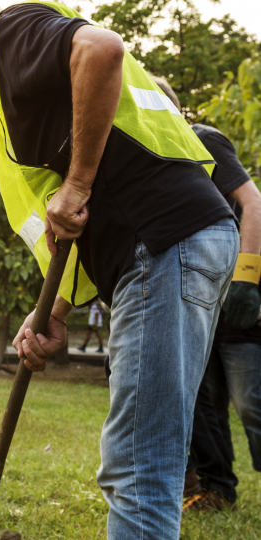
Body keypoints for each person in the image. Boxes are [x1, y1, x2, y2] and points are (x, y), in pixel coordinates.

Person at [0, 1, 239, 539]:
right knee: (140, 456)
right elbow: (76, 223)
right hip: (171, 245)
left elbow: (102, 48)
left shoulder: (13, 33)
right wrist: (54, 312)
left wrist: (77, 183)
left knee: (138, 465)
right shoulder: (18, 84)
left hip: (162, 242)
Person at [152, 77, 261, 511]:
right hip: (201, 294)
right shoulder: (162, 158)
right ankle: (219, 488)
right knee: (205, 401)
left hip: (237, 297)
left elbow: (253, 203)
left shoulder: (202, 140)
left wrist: (247, 279)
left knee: (251, 402)